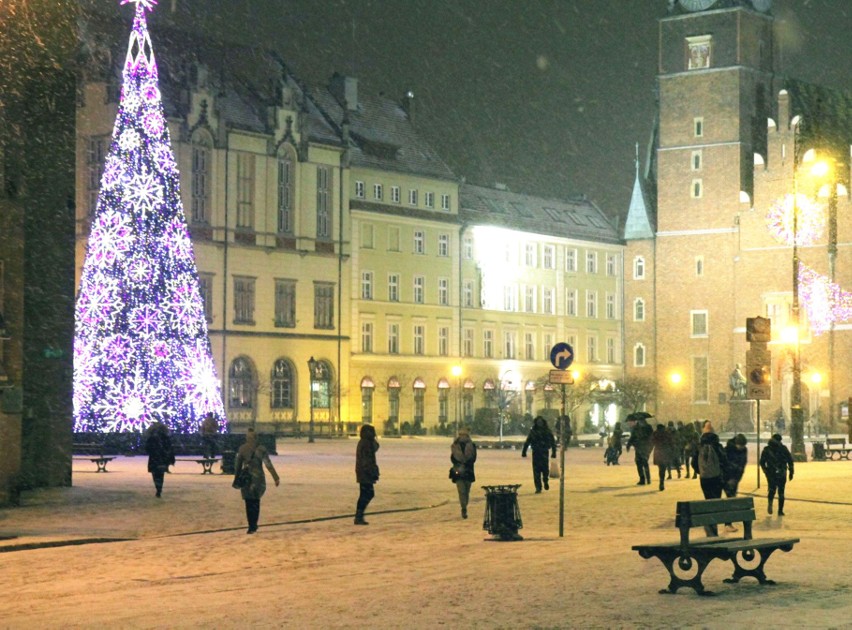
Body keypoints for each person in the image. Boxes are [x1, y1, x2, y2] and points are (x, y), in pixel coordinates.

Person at [233, 428, 280, 534]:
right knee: (256, 502)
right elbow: (268, 464)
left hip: (247, 479)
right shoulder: (261, 449)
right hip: (258, 478)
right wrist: (275, 477)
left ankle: (251, 525)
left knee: (248, 502)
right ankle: (254, 523)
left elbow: (238, 466)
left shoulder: (242, 449)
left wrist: (236, 478)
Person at [697, 420, 728, 536]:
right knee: (715, 501)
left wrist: (701, 471)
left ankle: (710, 528)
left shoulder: (700, 448)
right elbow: (725, 461)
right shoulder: (718, 446)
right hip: (716, 478)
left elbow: (694, 463)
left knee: (708, 500)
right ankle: (713, 528)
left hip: (705, 479)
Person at [760, 433, 794, 516]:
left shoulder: (767, 449)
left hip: (771, 473)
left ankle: (770, 503)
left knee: (772, 489)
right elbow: (790, 460)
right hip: (782, 472)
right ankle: (780, 511)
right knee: (781, 492)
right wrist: (791, 471)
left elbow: (762, 462)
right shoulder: (783, 448)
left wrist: (765, 470)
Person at [522, 416, 557, 493]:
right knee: (536, 471)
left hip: (544, 452)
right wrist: (524, 451)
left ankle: (545, 480)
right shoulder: (533, 431)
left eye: (540, 422)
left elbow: (552, 442)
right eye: (538, 422)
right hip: (536, 453)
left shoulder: (547, 431)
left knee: (545, 469)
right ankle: (538, 487)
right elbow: (528, 441)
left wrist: (554, 452)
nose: (539, 424)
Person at [355, 424, 380, 525]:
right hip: (365, 472)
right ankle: (359, 515)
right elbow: (367, 459)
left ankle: (359, 515)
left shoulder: (365, 442)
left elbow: (376, 447)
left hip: (363, 471)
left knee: (365, 494)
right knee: (367, 494)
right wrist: (370, 471)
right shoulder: (366, 443)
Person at [723, 433, 748, 531]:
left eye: (743, 446)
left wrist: (736, 479)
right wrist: (729, 478)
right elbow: (725, 465)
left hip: (735, 478)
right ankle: (727, 523)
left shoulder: (743, 451)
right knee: (730, 500)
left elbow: (742, 466)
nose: (742, 448)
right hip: (727, 478)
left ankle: (728, 522)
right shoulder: (728, 450)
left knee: (732, 499)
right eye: (740, 445)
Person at [450, 427, 477, 519]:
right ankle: (463, 508)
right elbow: (452, 458)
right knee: (461, 491)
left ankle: (464, 505)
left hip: (468, 471)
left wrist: (466, 464)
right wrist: (459, 464)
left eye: (464, 435)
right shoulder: (455, 445)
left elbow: (473, 458)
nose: (462, 437)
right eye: (461, 435)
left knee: (467, 491)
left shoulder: (471, 445)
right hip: (459, 472)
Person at [145, 421, 175, 498]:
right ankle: (159, 488)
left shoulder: (151, 438)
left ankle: (158, 488)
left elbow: (147, 448)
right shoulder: (165, 438)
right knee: (161, 475)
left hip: (154, 458)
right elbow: (169, 448)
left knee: (155, 474)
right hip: (162, 458)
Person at [626, 415, 653, 486]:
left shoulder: (647, 427)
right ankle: (642, 479)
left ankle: (648, 478)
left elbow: (650, 437)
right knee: (638, 463)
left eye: (630, 422)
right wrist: (629, 444)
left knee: (644, 462)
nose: (629, 424)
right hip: (638, 448)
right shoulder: (635, 428)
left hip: (646, 447)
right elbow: (633, 437)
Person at [650, 423, 674, 491]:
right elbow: (671, 442)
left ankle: (661, 482)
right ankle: (662, 482)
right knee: (664, 468)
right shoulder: (667, 433)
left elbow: (652, 442)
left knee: (660, 468)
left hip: (658, 451)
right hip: (666, 452)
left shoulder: (655, 433)